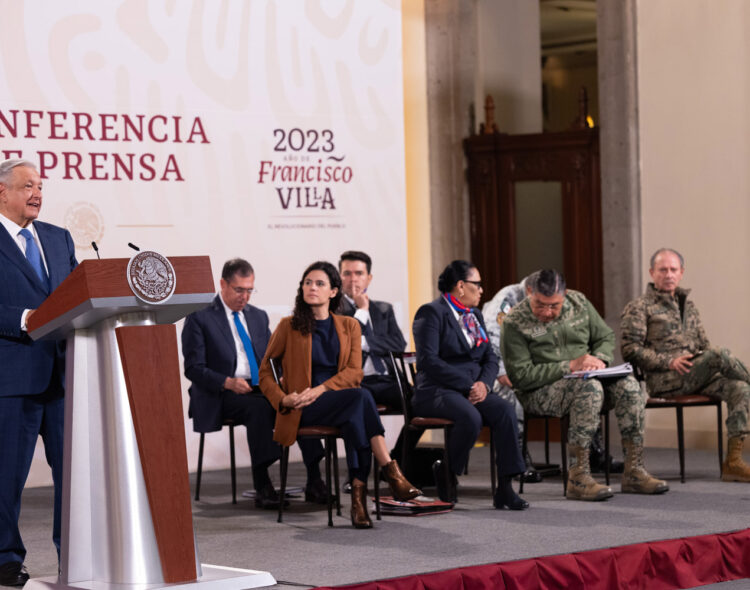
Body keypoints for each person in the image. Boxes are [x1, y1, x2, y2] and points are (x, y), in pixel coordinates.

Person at [258, 261, 421, 529]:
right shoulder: (288, 326)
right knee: (360, 399)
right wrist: (283, 399)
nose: (312, 287)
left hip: (337, 400)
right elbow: (265, 372)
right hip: (302, 407)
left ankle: (358, 497)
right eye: (307, 282)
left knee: (356, 409)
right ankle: (389, 473)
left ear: (333, 291)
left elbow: (354, 372)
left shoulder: (349, 326)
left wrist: (321, 389)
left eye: (320, 283)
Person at [502, 269, 668, 501]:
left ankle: (635, 471)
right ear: (530, 293)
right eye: (540, 305)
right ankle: (578, 476)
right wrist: (569, 366)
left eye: (554, 306)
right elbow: (521, 376)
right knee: (589, 390)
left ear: (565, 295)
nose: (547, 312)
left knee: (629, 387)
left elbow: (605, 337)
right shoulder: (514, 322)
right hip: (538, 391)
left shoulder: (579, 302)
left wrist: (599, 359)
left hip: (587, 380)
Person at [0, 159, 78, 587]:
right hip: (13, 377)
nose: (37, 193)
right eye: (28, 185)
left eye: (40, 186)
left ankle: (76, 556)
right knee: (7, 476)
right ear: (3, 192)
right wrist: (25, 318)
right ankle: (5, 558)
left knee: (73, 476)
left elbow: (79, 296)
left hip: (65, 378)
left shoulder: (58, 237)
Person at [621, 248, 750, 482]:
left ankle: (733, 463)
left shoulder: (689, 307)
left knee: (740, 388)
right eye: (662, 270)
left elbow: (704, 345)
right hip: (665, 380)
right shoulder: (639, 307)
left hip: (694, 375)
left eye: (673, 269)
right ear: (652, 272)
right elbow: (630, 349)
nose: (668, 274)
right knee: (719, 354)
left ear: (681, 273)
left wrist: (705, 361)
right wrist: (668, 361)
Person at [411, 260, 528, 510]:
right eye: (478, 284)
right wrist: (468, 385)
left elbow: (490, 357)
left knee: (505, 411)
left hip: (474, 389)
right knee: (471, 418)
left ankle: (506, 488)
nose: (482, 290)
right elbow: (428, 361)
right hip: (436, 390)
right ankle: (447, 470)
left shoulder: (473, 315)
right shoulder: (431, 313)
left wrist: (484, 384)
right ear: (461, 286)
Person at [182, 259, 292, 509]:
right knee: (260, 409)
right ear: (223, 284)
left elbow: (272, 357)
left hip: (259, 388)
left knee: (290, 403)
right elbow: (193, 368)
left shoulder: (258, 316)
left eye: (249, 290)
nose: (245, 296)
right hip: (221, 393)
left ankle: (315, 480)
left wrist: (282, 377)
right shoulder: (200, 317)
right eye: (239, 289)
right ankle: (263, 485)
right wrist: (228, 383)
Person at [337, 250, 414, 462]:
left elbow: (398, 343)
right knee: (356, 409)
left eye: (359, 273)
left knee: (420, 403)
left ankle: (396, 462)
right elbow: (343, 343)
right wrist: (361, 310)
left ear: (368, 278)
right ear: (339, 277)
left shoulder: (383, 309)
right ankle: (356, 473)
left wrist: (365, 343)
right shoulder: (334, 310)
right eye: (347, 273)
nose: (353, 279)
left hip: (388, 379)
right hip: (357, 382)